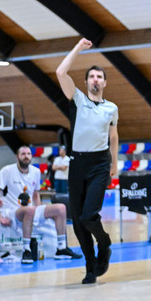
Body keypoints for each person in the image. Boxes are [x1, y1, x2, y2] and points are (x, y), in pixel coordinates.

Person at [55, 38, 119, 283]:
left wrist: (114, 164)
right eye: (91, 77)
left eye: (99, 77)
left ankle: (105, 243)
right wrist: (78, 48)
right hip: (77, 164)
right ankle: (90, 266)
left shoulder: (111, 108)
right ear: (86, 82)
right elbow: (61, 72)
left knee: (89, 215)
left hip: (100, 163)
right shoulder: (78, 100)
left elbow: (113, 136)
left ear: (104, 82)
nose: (95, 80)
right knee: (78, 222)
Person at [0, 146, 83, 264]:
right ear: (17, 157)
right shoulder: (7, 171)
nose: (26, 156)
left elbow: (35, 194)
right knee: (29, 210)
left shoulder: (36, 171)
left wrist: (40, 210)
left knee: (61, 208)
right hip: (11, 211)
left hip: (30, 210)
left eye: (28, 154)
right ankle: (27, 250)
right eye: (23, 154)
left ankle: (61, 248)